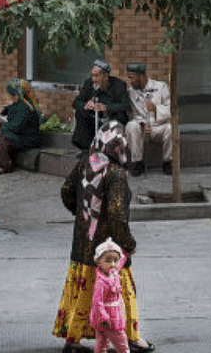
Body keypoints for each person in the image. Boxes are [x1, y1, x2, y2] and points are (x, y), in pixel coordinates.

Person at [52, 121, 155, 353]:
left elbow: (66, 191)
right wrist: (128, 243)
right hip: (109, 250)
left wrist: (83, 216)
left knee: (82, 290)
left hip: (82, 245)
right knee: (122, 292)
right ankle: (132, 337)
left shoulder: (84, 164)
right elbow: (118, 214)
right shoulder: (115, 174)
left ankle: (73, 340)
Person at [122, 62, 173, 176]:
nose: (130, 81)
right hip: (142, 130)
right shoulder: (131, 93)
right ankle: (137, 162)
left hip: (158, 127)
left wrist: (156, 109)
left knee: (171, 128)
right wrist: (142, 124)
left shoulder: (161, 87)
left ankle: (168, 162)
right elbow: (132, 115)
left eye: (132, 77)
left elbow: (171, 111)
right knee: (131, 126)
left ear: (140, 76)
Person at [70, 59, 130, 152]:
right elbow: (76, 102)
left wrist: (106, 108)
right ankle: (86, 150)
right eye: (92, 75)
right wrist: (86, 105)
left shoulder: (119, 85)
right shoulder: (89, 84)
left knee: (120, 116)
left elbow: (125, 105)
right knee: (81, 113)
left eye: (96, 76)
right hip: (95, 120)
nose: (94, 79)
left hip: (112, 120)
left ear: (105, 76)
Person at [0, 78, 43, 175]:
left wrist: (0, 123)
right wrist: (3, 110)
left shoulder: (25, 108)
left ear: (16, 95)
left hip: (27, 139)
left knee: (0, 135)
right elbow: (11, 108)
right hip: (20, 136)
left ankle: (5, 166)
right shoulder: (21, 103)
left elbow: (16, 127)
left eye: (10, 95)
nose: (9, 97)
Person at [89, 238, 129, 353]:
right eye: (108, 261)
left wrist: (126, 254)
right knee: (122, 344)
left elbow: (120, 263)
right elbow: (97, 302)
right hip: (110, 320)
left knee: (102, 343)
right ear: (98, 262)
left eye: (115, 261)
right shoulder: (101, 282)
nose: (113, 264)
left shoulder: (113, 273)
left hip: (103, 320)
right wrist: (104, 317)